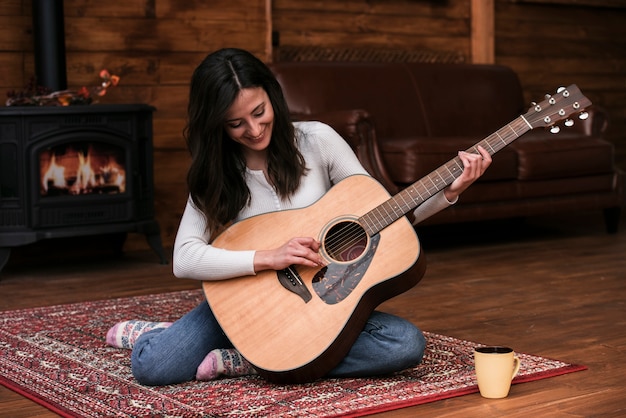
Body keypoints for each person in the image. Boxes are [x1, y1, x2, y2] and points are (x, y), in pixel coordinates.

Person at [105, 47, 492, 386]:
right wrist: (268, 257)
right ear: (216, 124)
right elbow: (184, 258)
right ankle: (236, 350)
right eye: (236, 123)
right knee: (154, 366)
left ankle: (251, 361)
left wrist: (448, 193)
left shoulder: (318, 141)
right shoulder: (216, 173)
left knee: (403, 345)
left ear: (273, 96)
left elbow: (382, 216)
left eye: (260, 112)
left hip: (318, 307)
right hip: (247, 299)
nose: (254, 130)